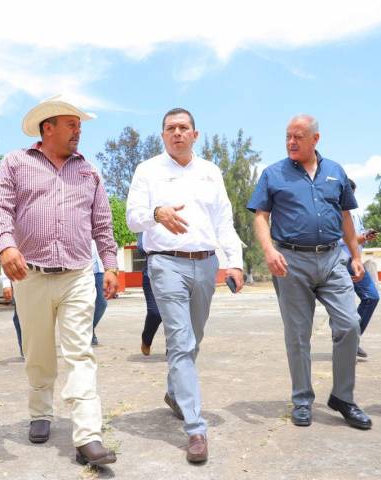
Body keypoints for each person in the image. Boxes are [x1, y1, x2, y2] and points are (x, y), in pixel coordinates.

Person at [0, 96, 119, 467]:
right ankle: (41, 411)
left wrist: (110, 265)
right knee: (38, 352)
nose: (79, 131)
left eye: (79, 125)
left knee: (81, 353)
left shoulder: (89, 172)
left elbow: (102, 224)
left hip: (78, 275)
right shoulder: (16, 162)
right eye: (72, 124)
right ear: (48, 128)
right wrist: (7, 245)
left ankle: (88, 435)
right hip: (30, 275)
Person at [126, 107, 244, 464]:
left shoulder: (210, 172)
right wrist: (156, 213)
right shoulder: (147, 170)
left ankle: (175, 393)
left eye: (183, 127)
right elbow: (132, 218)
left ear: (195, 134)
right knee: (180, 340)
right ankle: (195, 429)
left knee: (194, 337)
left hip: (206, 264)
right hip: (166, 263)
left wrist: (235, 261)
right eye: (170, 128)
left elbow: (224, 220)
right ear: (163, 135)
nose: (177, 133)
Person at [248, 114, 372, 431]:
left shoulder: (335, 171)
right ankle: (302, 399)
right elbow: (260, 217)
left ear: (315, 139)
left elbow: (345, 216)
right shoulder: (273, 174)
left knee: (349, 324)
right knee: (298, 334)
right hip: (291, 261)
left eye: (298, 137)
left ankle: (343, 398)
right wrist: (269, 251)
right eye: (288, 137)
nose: (291, 142)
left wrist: (356, 256)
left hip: (332, 259)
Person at [341, 179, 380, 358]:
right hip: (340, 261)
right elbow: (342, 238)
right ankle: (346, 344)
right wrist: (362, 237)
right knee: (343, 306)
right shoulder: (334, 211)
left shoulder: (356, 212)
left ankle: (351, 341)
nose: (352, 197)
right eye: (350, 193)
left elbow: (358, 234)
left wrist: (366, 235)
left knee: (371, 297)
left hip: (355, 261)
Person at [137, 233, 162, 356]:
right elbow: (141, 247)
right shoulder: (148, 222)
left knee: (175, 314)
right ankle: (146, 340)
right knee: (155, 313)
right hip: (151, 274)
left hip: (179, 272)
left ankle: (173, 348)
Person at [0, 270, 23, 358]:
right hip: (20, 281)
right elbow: (6, 262)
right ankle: (24, 349)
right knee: (19, 317)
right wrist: (6, 283)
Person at [91, 239, 107, 346]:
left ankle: (88, 329)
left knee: (102, 303)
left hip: (100, 271)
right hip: (84, 271)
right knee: (84, 305)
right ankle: (89, 334)